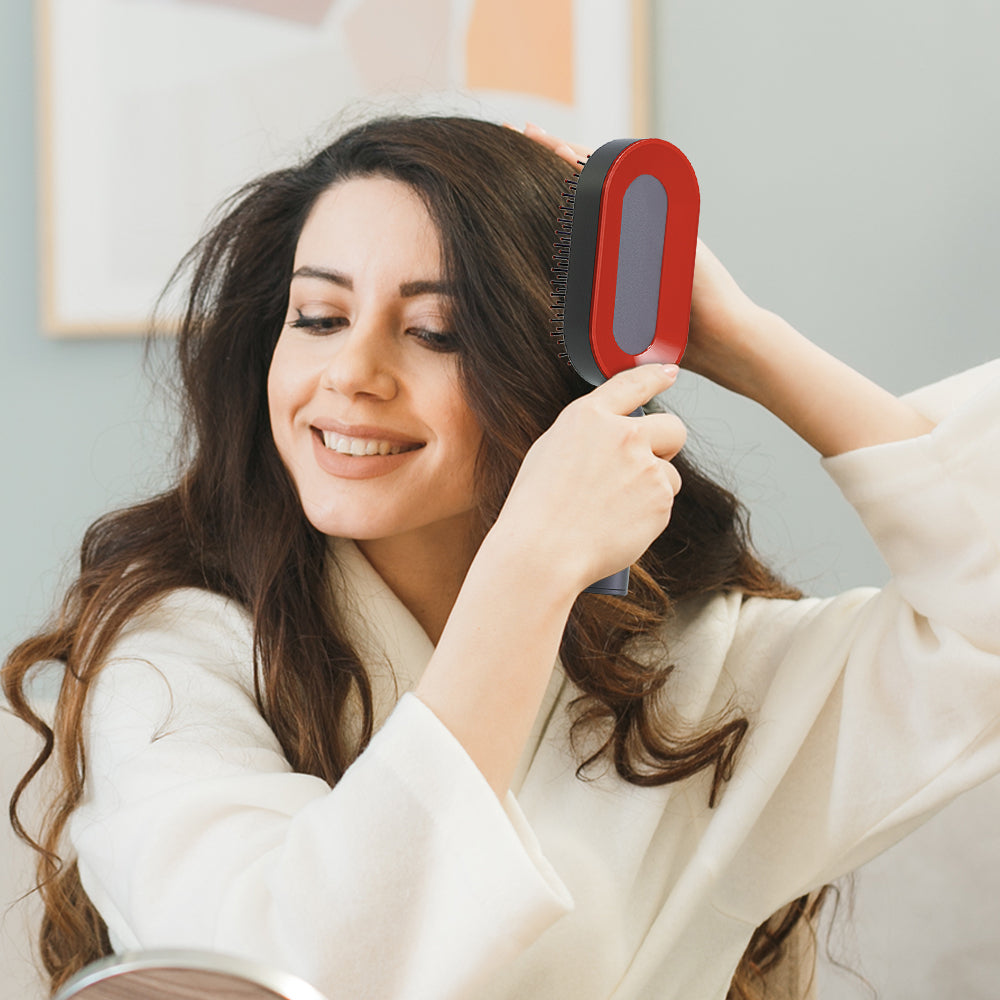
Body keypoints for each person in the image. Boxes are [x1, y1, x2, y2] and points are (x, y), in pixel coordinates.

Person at [3, 114, 998, 1000]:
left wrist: (740, 341)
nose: (350, 374)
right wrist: (524, 571)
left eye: (433, 330)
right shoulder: (181, 657)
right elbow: (299, 976)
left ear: (543, 374)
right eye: (316, 317)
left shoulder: (701, 682)